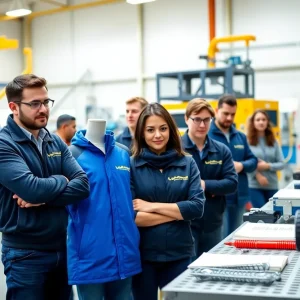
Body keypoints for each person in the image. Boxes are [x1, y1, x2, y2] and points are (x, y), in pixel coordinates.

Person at [0, 74, 90, 300]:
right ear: (14, 107)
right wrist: (62, 179)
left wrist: (43, 196)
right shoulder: (4, 144)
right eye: (34, 104)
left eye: (46, 102)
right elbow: (30, 189)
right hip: (25, 253)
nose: (43, 109)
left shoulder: (53, 140)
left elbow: (83, 185)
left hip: (62, 247)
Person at [130, 103, 205, 300]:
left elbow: (197, 208)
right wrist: (178, 213)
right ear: (141, 133)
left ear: (171, 130)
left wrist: (151, 207)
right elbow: (133, 217)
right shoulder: (131, 166)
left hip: (179, 254)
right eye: (150, 130)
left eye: (163, 128)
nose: (157, 135)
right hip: (143, 255)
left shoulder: (187, 163)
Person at [67, 119, 141, 300]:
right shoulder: (72, 155)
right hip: (90, 257)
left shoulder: (123, 154)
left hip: (125, 253)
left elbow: (129, 198)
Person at [182, 98, 238, 258]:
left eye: (206, 120)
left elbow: (231, 183)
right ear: (186, 119)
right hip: (185, 225)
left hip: (213, 222)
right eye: (197, 119)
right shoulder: (176, 150)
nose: (202, 125)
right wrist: (215, 187)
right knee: (187, 273)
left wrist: (204, 185)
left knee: (211, 269)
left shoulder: (221, 150)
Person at [208, 95, 257, 238]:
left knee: (238, 238)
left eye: (233, 114)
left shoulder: (240, 136)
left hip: (239, 196)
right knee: (221, 240)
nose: (229, 118)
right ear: (217, 111)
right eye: (226, 114)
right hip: (218, 197)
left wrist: (241, 165)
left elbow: (253, 160)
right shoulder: (208, 135)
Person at [247, 110, 285, 207]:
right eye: (258, 120)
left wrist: (267, 166)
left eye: (263, 119)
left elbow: (281, 163)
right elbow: (244, 162)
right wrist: (257, 175)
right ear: (253, 122)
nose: (261, 122)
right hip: (254, 186)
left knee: (274, 215)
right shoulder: (247, 141)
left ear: (267, 122)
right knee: (261, 215)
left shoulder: (274, 141)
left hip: (272, 185)